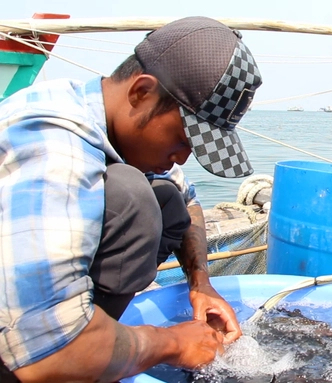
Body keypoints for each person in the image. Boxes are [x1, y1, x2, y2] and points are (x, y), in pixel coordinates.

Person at [0, 16, 262, 382]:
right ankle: (84, 352)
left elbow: (187, 202)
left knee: (166, 200)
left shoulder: (114, 123)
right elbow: (49, 351)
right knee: (130, 195)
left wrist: (201, 283)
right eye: (184, 139)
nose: (184, 157)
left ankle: (99, 340)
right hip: (27, 344)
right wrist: (170, 343)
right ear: (141, 92)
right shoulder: (54, 144)